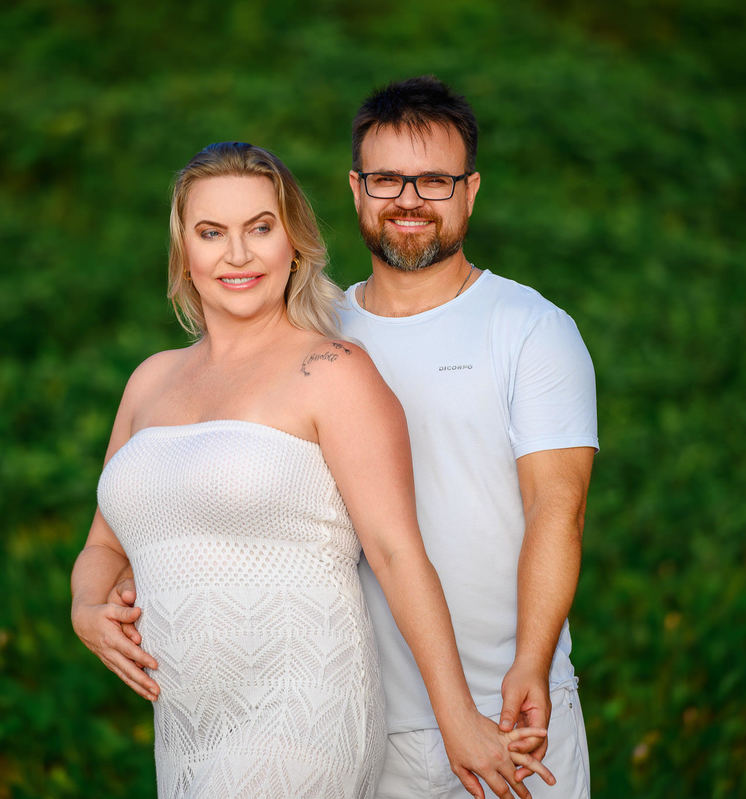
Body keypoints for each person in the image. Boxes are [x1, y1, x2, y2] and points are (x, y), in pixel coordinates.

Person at [70, 141, 552, 799]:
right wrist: (85, 606)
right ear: (184, 251)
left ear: (293, 243)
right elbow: (104, 546)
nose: (237, 254)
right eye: (211, 233)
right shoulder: (149, 381)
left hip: (303, 710)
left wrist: (458, 717)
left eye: (259, 228)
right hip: (187, 725)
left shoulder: (331, 371)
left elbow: (396, 552)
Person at [338, 76, 599, 799]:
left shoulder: (530, 328)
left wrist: (532, 662)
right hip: (357, 717)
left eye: (435, 181)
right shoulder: (316, 331)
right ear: (357, 189)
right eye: (387, 179)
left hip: (512, 705)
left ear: (470, 191)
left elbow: (557, 508)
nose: (409, 200)